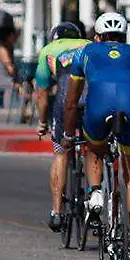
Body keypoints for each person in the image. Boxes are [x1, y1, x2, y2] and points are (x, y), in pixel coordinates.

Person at [62, 12, 130, 260]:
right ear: (125, 36)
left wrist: (68, 136)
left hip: (98, 108)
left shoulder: (85, 53)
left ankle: (96, 193)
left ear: (98, 36)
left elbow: (71, 102)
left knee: (96, 149)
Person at [34, 22, 91, 232]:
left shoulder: (49, 51)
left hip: (65, 103)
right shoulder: (88, 45)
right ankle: (95, 196)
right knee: (95, 149)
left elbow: (41, 94)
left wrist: (42, 122)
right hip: (91, 102)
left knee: (60, 152)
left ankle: (57, 212)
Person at [0, 26, 19, 108]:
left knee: (21, 84)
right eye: (13, 35)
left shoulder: (8, 48)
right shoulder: (2, 50)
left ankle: (17, 107)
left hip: (3, 78)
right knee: (22, 86)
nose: (15, 37)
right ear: (8, 37)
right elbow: (10, 69)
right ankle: (16, 108)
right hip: (2, 79)